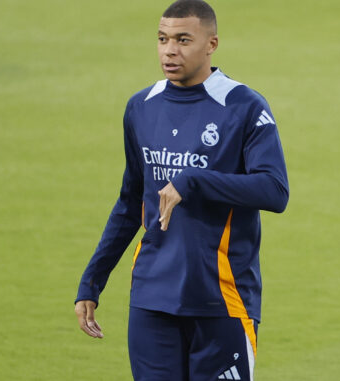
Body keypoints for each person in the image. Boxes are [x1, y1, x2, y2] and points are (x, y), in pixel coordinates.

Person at [73, 1, 289, 380]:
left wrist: (193, 180)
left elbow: (274, 190)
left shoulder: (244, 107)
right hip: (152, 297)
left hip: (221, 298)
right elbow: (130, 202)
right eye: (162, 39)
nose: (169, 50)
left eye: (183, 40)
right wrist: (92, 280)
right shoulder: (142, 107)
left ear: (212, 44)